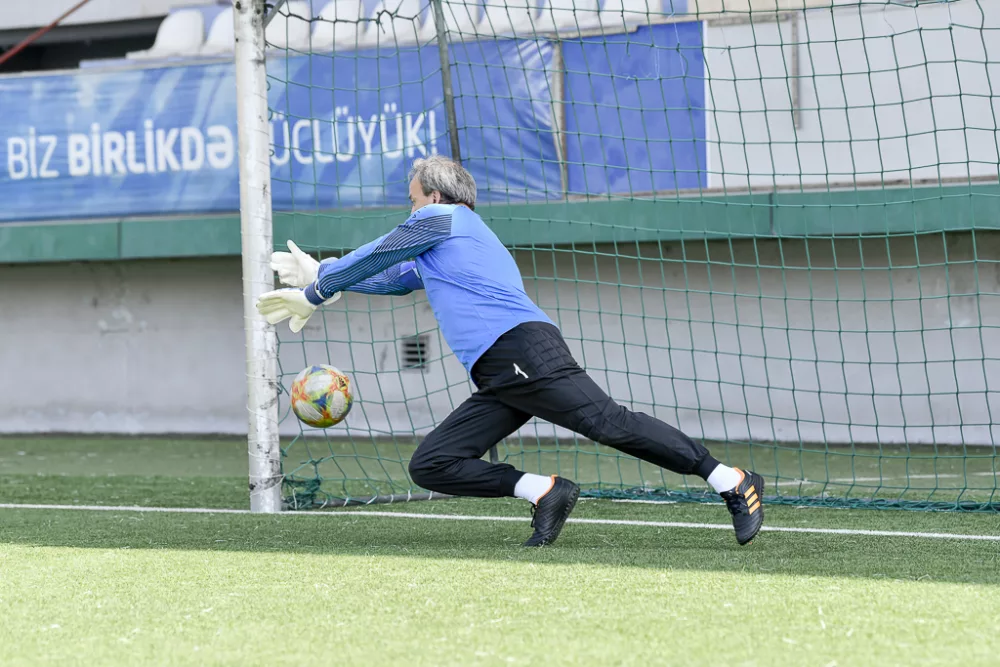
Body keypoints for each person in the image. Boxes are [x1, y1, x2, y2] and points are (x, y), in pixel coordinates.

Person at [257, 155, 765, 547]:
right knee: (433, 463)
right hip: (500, 371)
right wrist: (325, 272)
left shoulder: (443, 219)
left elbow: (386, 250)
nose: (410, 209)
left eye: (412, 200)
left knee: (610, 423)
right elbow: (394, 276)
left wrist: (316, 292)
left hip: (522, 350)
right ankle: (544, 492)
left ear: (432, 196)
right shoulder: (445, 242)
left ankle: (731, 480)